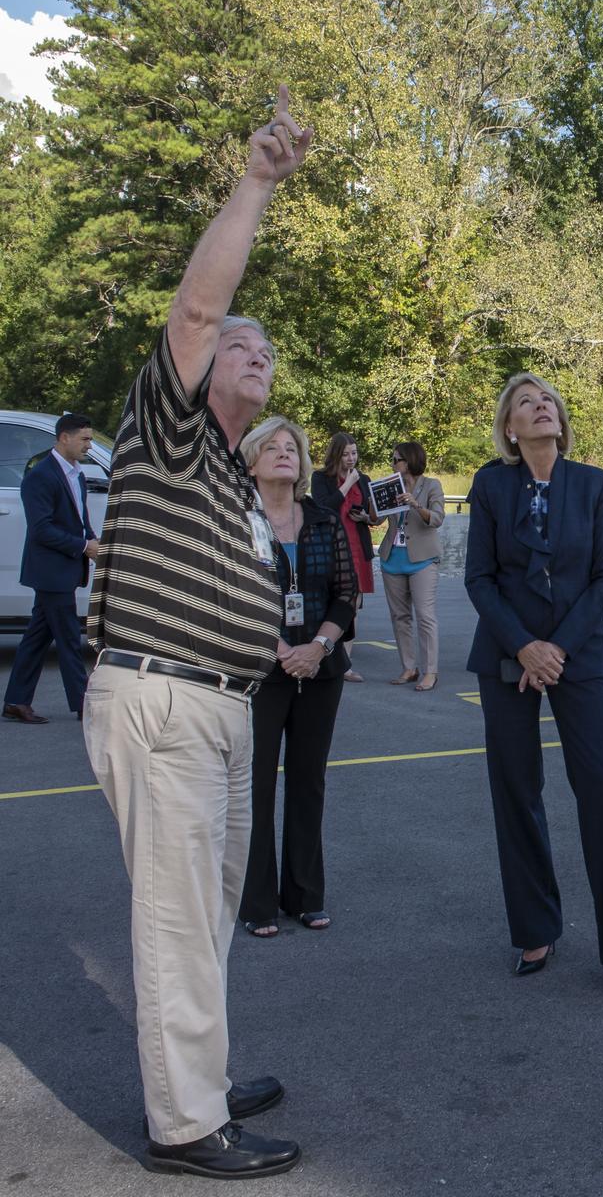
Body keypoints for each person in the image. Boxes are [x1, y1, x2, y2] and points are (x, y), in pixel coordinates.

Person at [82, 86, 310, 1178]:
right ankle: (184, 1125)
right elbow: (193, 312)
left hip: (223, 705)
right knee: (177, 919)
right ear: (204, 362)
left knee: (209, 908)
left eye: (267, 350)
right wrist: (257, 181)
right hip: (166, 695)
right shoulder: (169, 428)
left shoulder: (230, 473)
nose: (255, 353)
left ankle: (201, 1077)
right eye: (240, 343)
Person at [464, 373, 603, 993]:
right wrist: (524, 646)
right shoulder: (491, 485)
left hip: (578, 653)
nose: (541, 407)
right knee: (516, 790)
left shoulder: (593, 483)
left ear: (561, 421)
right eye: (526, 403)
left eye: (548, 401)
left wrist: (557, 649)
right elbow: (480, 578)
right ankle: (535, 929)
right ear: (510, 429)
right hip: (507, 652)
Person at [240, 417, 356, 938]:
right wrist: (280, 648)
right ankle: (256, 901)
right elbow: (225, 593)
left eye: (291, 447)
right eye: (272, 447)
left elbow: (345, 594)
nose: (284, 453)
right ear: (251, 462)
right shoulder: (236, 522)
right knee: (256, 784)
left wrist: (317, 647)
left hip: (320, 667)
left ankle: (305, 895)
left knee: (308, 780)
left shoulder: (325, 521)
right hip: (259, 670)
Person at [3, 414, 99, 724]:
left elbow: (80, 520)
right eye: (85, 439)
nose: (89, 445)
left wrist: (93, 542)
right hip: (50, 571)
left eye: (90, 439)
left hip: (65, 568)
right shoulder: (40, 476)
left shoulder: (76, 474)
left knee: (36, 638)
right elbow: (41, 529)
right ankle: (83, 704)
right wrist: (84, 546)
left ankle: (16, 701)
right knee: (69, 637)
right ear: (64, 438)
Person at [378, 441, 445, 691]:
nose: (392, 464)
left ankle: (430, 671)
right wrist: (372, 506)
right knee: (400, 617)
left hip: (422, 559)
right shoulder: (391, 485)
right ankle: (409, 667)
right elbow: (377, 519)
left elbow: (437, 519)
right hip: (392, 558)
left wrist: (415, 504)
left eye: (396, 459)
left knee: (425, 616)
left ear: (410, 461)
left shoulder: (431, 485)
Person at [311, 432, 373, 682]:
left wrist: (366, 517)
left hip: (357, 546)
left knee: (353, 604)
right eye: (346, 454)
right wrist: (347, 484)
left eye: (354, 453)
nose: (351, 458)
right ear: (336, 454)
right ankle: (323, 654)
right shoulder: (321, 478)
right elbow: (324, 507)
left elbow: (372, 513)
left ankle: (345, 664)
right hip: (333, 547)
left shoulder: (364, 479)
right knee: (330, 602)